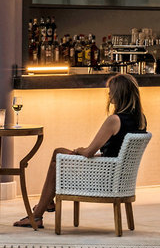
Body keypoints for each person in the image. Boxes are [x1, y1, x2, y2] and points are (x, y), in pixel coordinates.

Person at [14, 73, 148, 228]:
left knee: (57, 158)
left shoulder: (114, 120)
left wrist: (79, 150)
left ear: (119, 94)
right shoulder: (141, 120)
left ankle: (38, 214)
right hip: (119, 176)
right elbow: (118, 153)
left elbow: (89, 152)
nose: (109, 94)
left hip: (104, 178)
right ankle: (45, 206)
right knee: (58, 156)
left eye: (111, 91)